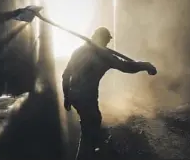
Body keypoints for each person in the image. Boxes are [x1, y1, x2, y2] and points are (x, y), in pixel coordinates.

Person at [62, 27, 157, 160]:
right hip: (86, 98)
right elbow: (126, 67)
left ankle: (91, 151)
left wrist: (66, 96)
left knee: (92, 123)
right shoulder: (104, 56)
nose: (107, 43)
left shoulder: (78, 51)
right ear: (103, 39)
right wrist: (146, 65)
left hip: (74, 95)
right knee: (90, 127)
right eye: (107, 40)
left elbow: (66, 75)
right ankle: (86, 154)